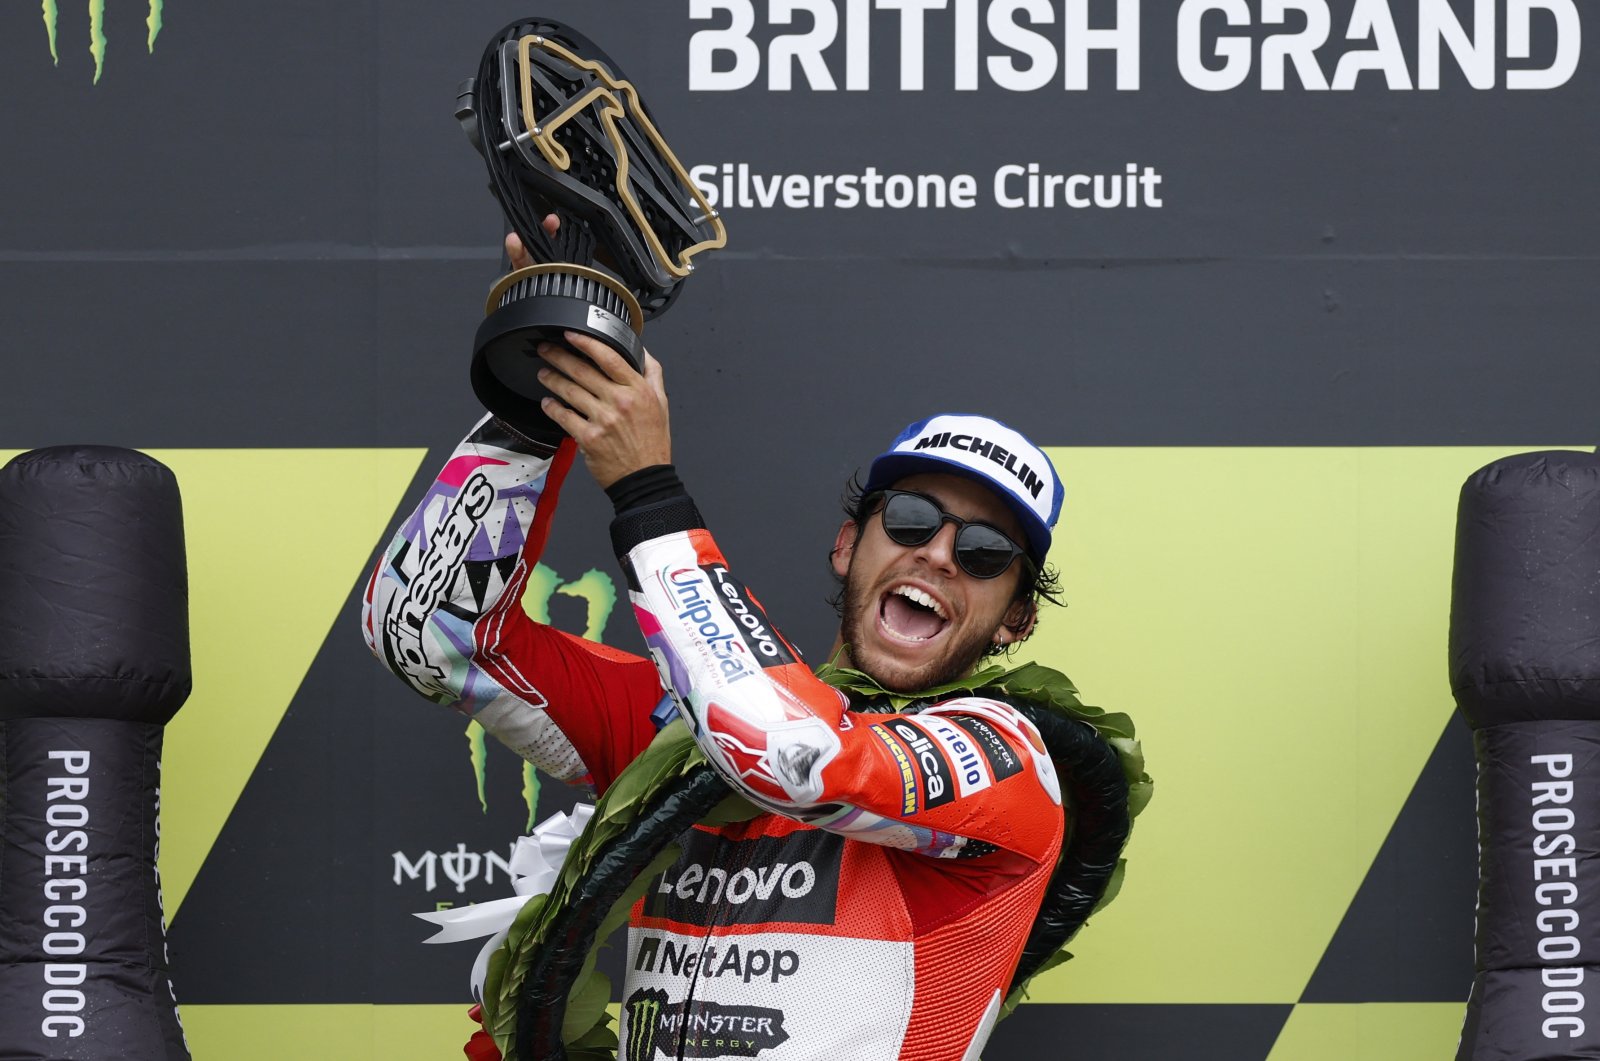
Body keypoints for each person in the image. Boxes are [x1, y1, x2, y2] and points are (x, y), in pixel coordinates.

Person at [363, 240, 1077, 1061]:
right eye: (912, 520)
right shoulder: (683, 729)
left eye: (986, 550)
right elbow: (426, 636)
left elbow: (792, 755)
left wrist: (646, 491)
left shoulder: (1012, 763)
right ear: (849, 545)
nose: (941, 555)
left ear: (1015, 621)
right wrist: (547, 393)